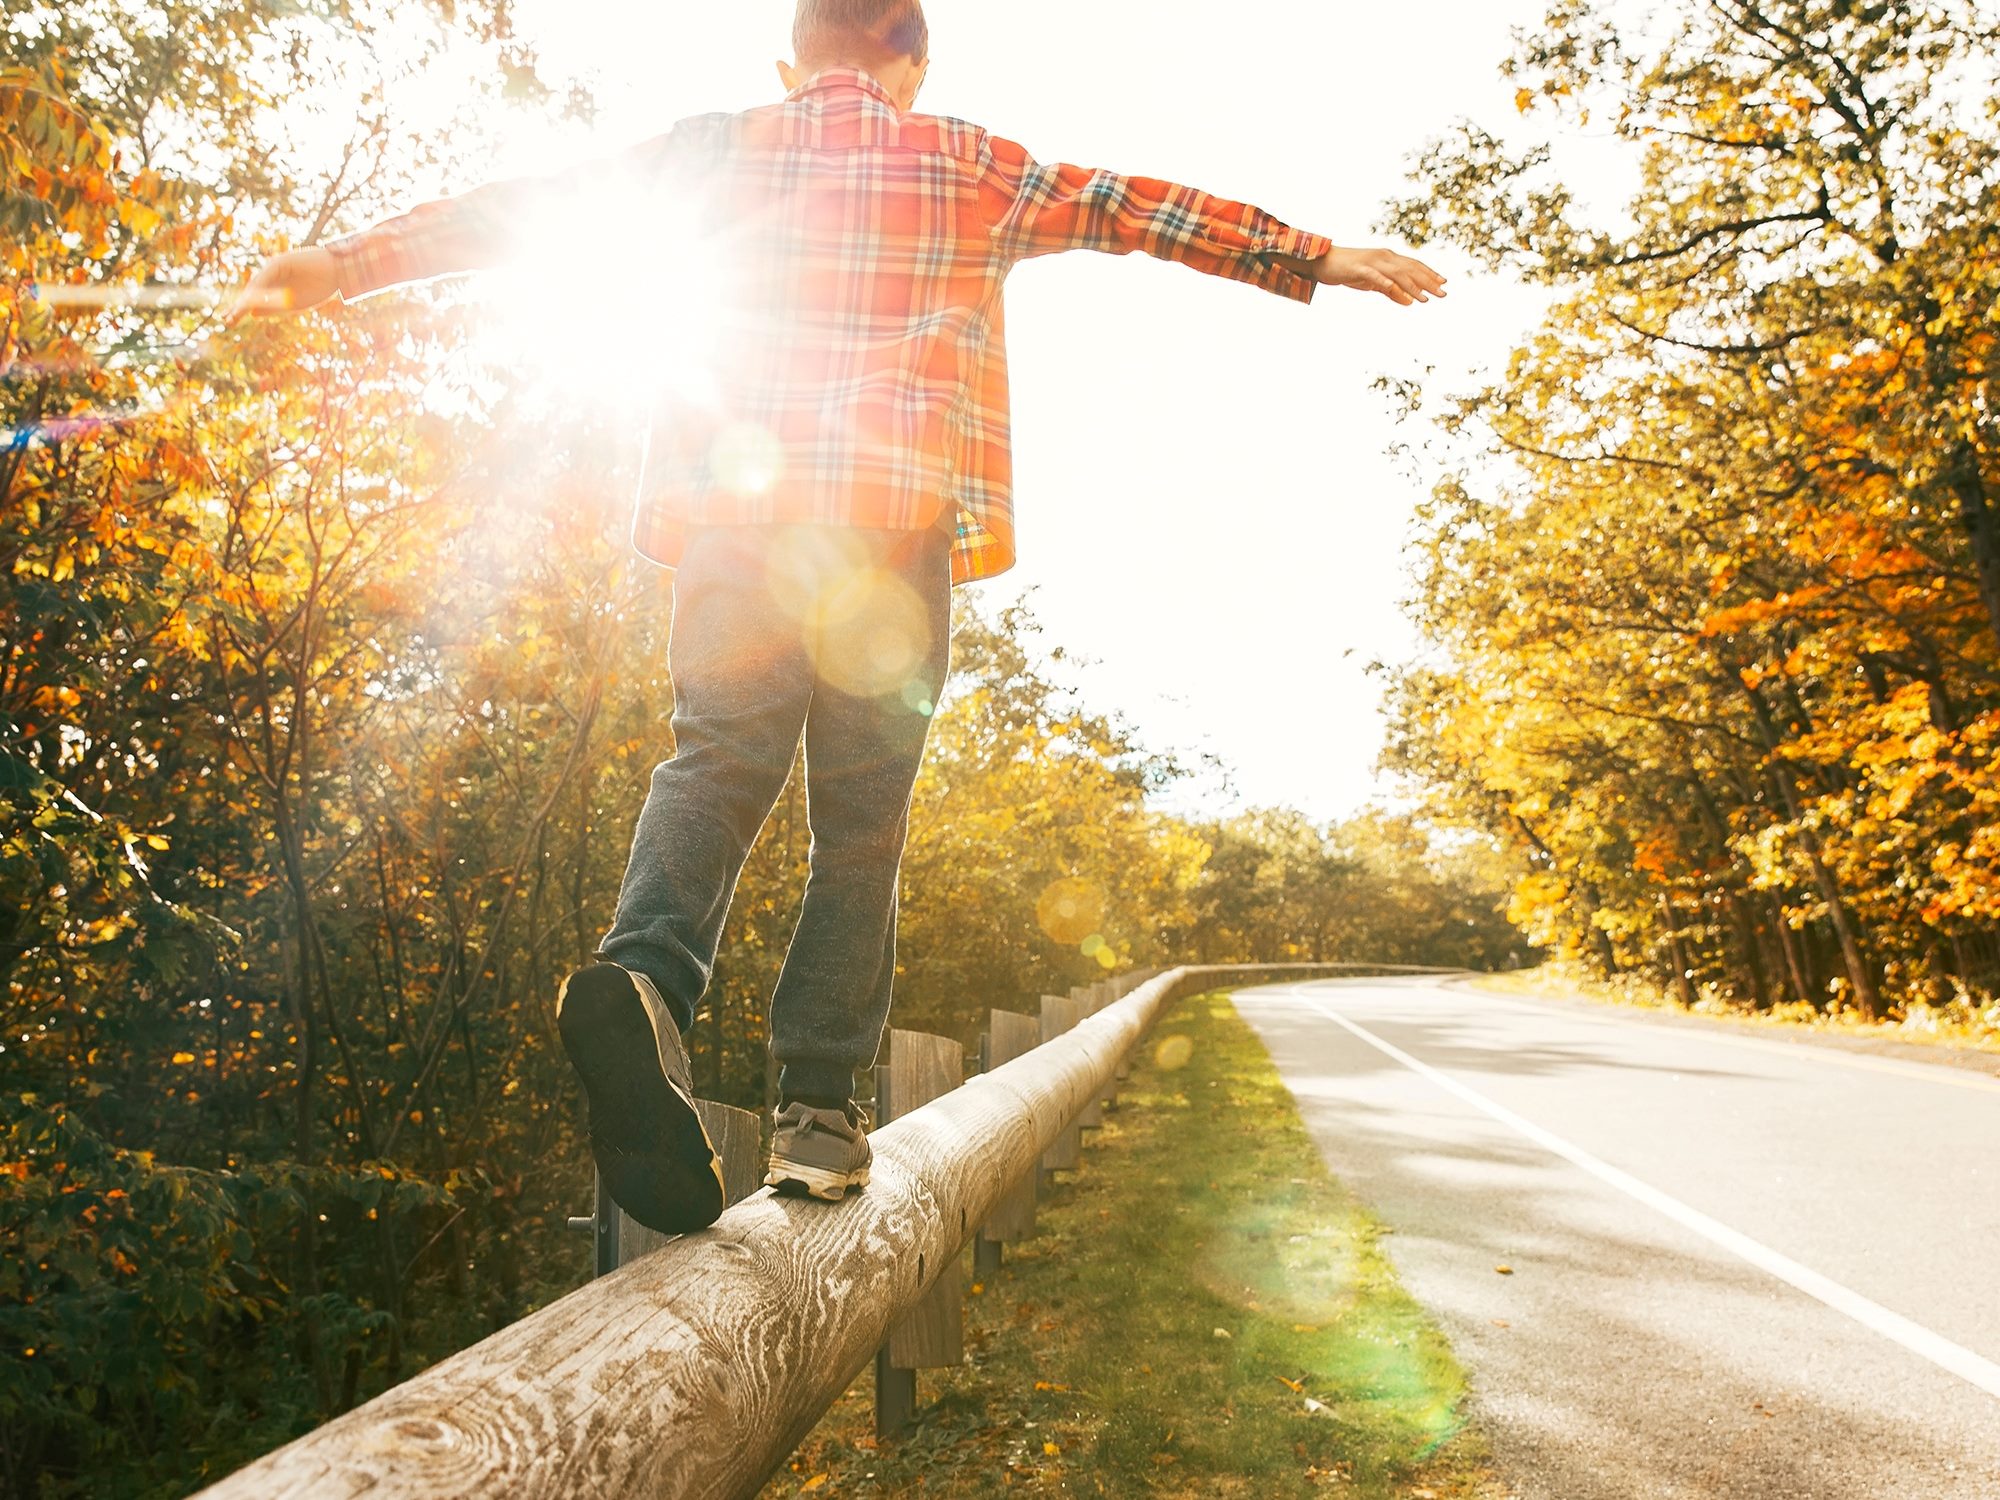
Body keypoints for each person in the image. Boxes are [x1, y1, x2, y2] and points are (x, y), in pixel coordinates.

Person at [230, 0, 1447, 1235]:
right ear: (911, 66)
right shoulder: (969, 160)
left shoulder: (711, 147)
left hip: (729, 524)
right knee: (858, 828)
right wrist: (1309, 255)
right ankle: (816, 1114)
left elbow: (534, 209)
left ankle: (644, 979)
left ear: (789, 63)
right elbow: (1136, 208)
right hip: (884, 536)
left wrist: (342, 264)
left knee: (712, 760)